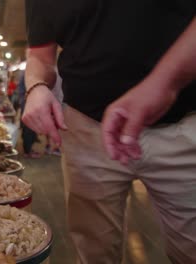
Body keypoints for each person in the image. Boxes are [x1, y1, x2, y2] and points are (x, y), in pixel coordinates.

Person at [23, 0, 196, 263]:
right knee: (95, 251)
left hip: (181, 124)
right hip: (86, 129)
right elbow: (39, 55)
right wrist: (35, 86)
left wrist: (165, 82)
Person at [18, 73, 41, 158]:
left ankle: (28, 150)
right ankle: (28, 151)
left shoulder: (26, 74)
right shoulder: (28, 74)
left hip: (28, 104)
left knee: (28, 128)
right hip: (29, 104)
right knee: (29, 128)